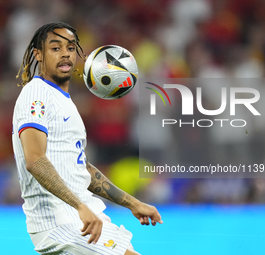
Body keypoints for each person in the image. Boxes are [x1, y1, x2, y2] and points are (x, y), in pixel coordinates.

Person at [12, 21, 163, 255]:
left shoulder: (64, 101)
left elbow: (80, 169)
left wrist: (133, 203)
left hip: (87, 216)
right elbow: (35, 160)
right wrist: (79, 206)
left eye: (71, 48)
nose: (65, 54)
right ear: (38, 54)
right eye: (55, 47)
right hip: (59, 222)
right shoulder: (37, 94)